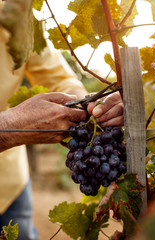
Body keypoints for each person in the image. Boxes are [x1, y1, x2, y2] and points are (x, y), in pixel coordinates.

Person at [0, 2, 123, 240]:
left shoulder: (12, 15)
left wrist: (90, 105)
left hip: (8, 183)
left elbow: (60, 78)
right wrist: (6, 128)